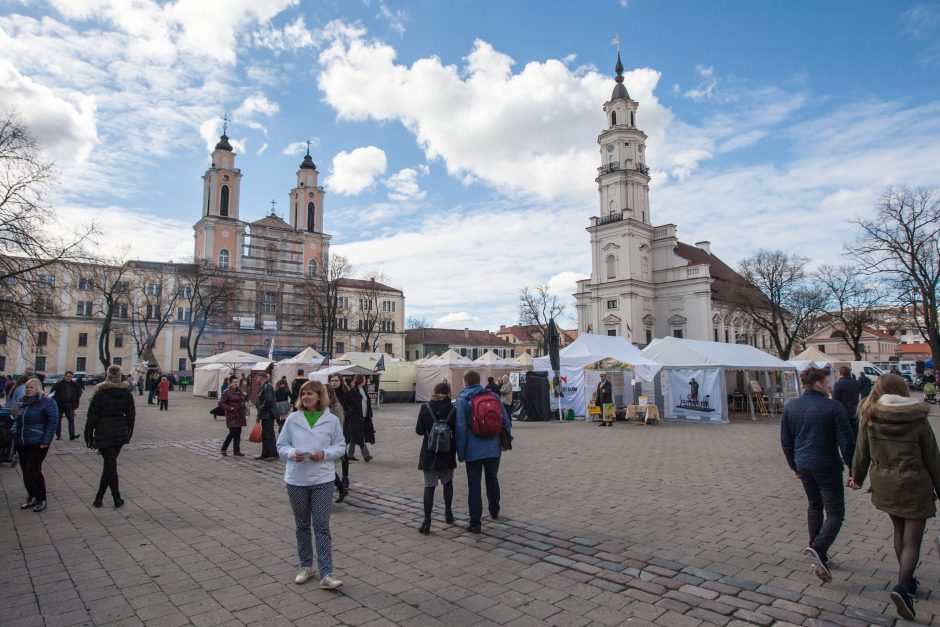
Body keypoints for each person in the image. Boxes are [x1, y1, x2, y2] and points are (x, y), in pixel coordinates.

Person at [849, 374, 940, 620]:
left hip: (885, 483)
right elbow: (933, 457)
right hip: (913, 483)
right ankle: (903, 587)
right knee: (913, 539)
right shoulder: (917, 418)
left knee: (899, 530)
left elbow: (861, 453)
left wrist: (855, 477)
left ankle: (907, 582)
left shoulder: (870, 415)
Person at [780, 366, 854, 583]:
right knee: (835, 512)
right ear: (818, 384)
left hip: (803, 463)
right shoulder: (833, 407)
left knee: (814, 505)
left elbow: (786, 441)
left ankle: (816, 548)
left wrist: (794, 466)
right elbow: (846, 442)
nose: (831, 386)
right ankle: (818, 547)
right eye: (827, 382)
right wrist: (854, 469)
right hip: (827, 464)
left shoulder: (791, 407)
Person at [276, 380, 345, 589]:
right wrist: (292, 453)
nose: (305, 397)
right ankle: (306, 566)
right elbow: (281, 445)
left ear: (320, 397)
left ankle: (326, 573)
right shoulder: (293, 419)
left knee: (322, 527)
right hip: (297, 479)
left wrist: (324, 454)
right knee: (302, 525)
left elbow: (340, 446)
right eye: (303, 394)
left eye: (310, 394)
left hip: (322, 479)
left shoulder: (331, 420)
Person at [456, 370, 512, 534]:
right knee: (492, 478)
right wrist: (506, 441)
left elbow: (460, 428)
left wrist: (461, 452)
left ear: (465, 382)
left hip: (473, 450)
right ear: (478, 381)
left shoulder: (463, 400)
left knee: (474, 485)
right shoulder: (493, 396)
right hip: (493, 447)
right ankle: (494, 510)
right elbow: (505, 421)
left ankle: (475, 522)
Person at [84, 366, 135, 508]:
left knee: (110, 465)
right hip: (120, 430)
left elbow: (92, 415)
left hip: (104, 430)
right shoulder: (126, 394)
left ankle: (112, 498)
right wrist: (129, 432)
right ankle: (103, 498)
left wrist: (88, 433)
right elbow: (131, 416)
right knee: (110, 465)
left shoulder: (100, 393)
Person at [416, 382, 457, 534]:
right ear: (448, 393)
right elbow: (457, 432)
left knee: (429, 487)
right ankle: (448, 513)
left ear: (435, 392)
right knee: (448, 483)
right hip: (447, 452)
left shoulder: (426, 407)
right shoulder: (453, 409)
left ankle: (427, 521)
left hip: (429, 452)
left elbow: (419, 431)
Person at [12, 378, 59, 513]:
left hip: (38, 442)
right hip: (22, 441)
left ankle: (41, 499)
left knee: (33, 469)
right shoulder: (23, 401)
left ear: (38, 388)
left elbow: (52, 422)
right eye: (27, 387)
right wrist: (14, 431)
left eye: (32, 387)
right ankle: (31, 497)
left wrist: (46, 440)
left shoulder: (47, 402)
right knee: (25, 471)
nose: (28, 389)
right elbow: (17, 420)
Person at [324, 379, 350, 503]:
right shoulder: (325, 407)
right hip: (325, 442)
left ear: (329, 394)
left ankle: (339, 488)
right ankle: (341, 489)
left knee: (326, 468)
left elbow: (338, 426)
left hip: (332, 442)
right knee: (326, 468)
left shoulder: (335, 407)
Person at [345, 374, 373, 462]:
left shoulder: (363, 390)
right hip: (356, 418)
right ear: (361, 380)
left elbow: (366, 403)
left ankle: (350, 454)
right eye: (364, 379)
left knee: (355, 437)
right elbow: (350, 404)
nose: (366, 381)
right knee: (360, 436)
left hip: (364, 417)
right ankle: (366, 455)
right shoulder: (353, 391)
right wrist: (353, 412)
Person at [219, 375, 247, 457]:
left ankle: (236, 450)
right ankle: (224, 448)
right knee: (232, 433)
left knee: (238, 433)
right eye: (234, 382)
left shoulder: (239, 391)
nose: (236, 384)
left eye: (237, 382)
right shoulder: (226, 392)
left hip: (240, 415)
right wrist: (230, 408)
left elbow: (242, 399)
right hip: (232, 415)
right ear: (230, 383)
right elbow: (221, 403)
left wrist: (244, 395)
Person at [50, 371, 83, 441]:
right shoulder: (59, 384)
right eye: (68, 376)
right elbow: (52, 393)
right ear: (64, 376)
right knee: (58, 420)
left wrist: (75, 402)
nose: (69, 378)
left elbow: (78, 393)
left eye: (71, 377)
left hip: (70, 405)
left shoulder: (74, 385)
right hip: (59, 405)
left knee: (71, 420)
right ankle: (58, 435)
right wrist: (55, 402)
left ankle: (72, 435)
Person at [832, 366, 861, 440]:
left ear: (840, 373)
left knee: (845, 435)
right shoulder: (856, 383)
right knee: (855, 433)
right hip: (855, 410)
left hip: (843, 412)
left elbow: (835, 399)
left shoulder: (838, 384)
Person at [255, 372, 278, 460]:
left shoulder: (267, 386)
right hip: (264, 414)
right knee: (264, 434)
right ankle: (265, 453)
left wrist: (261, 408)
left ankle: (273, 454)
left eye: (257, 377)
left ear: (260, 378)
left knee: (269, 434)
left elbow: (268, 400)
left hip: (268, 413)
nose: (256, 379)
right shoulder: (263, 386)